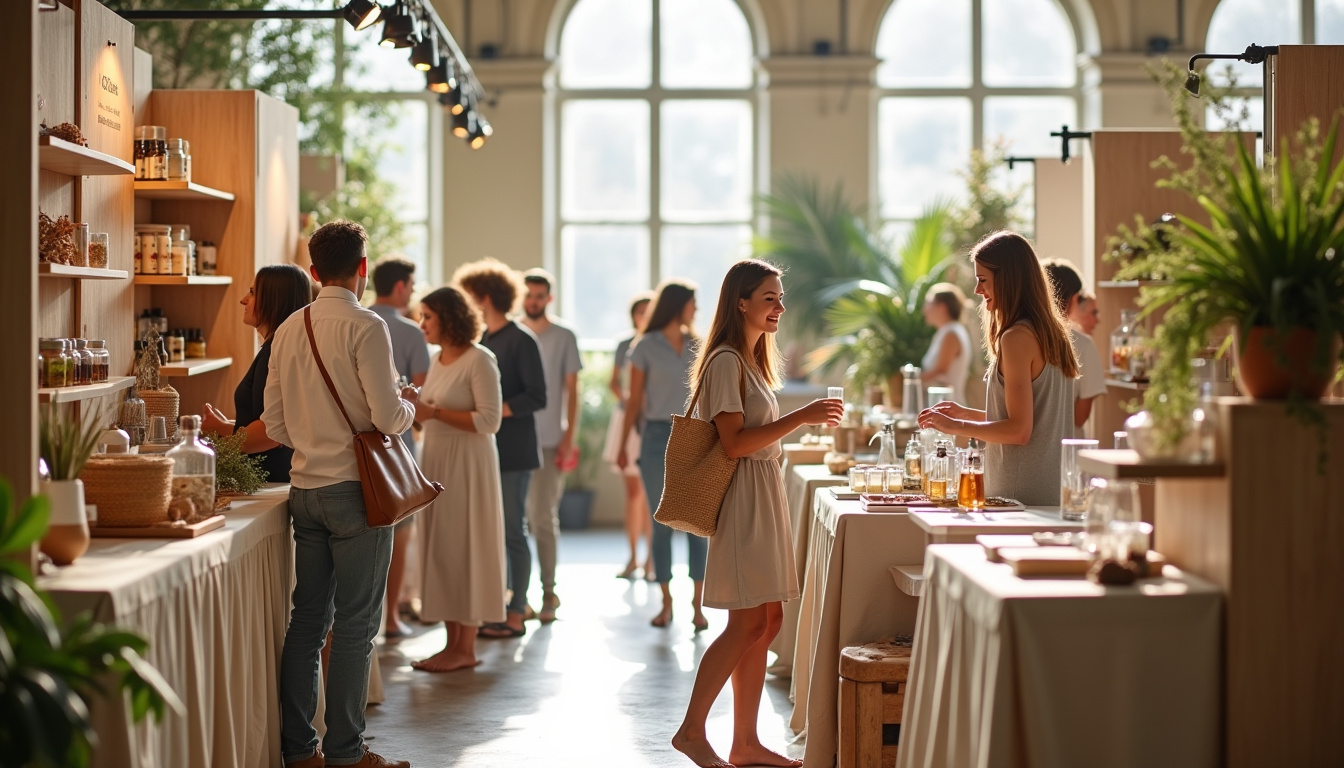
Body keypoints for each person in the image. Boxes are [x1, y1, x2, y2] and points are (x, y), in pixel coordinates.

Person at [671, 259, 843, 768]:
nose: (780, 307)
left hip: (762, 494)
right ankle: (691, 731)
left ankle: (745, 742)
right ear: (741, 302)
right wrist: (803, 415)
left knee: (768, 618)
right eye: (770, 297)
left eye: (780, 297)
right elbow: (734, 443)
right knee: (744, 622)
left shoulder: (748, 360)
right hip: (745, 498)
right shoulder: (726, 360)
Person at [263, 219, 415, 768]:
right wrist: (409, 406)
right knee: (355, 627)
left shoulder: (288, 328)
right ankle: (347, 753)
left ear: (311, 270)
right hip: (357, 493)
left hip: (304, 490)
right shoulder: (367, 326)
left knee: (307, 622)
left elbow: (275, 425)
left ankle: (300, 750)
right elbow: (387, 418)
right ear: (363, 268)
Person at [917, 231, 1079, 507]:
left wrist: (957, 425)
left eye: (983, 280)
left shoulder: (1016, 338)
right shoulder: (1052, 333)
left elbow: (1019, 431)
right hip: (1051, 492)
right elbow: (1032, 421)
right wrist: (966, 413)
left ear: (1008, 280)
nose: (977, 291)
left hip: (1019, 496)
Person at [403, 286, 506, 673]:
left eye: (427, 316)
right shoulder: (436, 358)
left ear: (449, 317)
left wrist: (432, 412)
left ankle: (465, 647)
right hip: (437, 459)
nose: (421, 323)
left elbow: (489, 421)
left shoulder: (481, 360)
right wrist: (414, 407)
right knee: (443, 546)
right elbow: (427, 415)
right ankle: (452, 644)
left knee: (468, 545)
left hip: (469, 464)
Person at [454, 259, 547, 640]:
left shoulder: (522, 339)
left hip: (514, 450)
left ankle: (516, 610)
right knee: (492, 532)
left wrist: (492, 412)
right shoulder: (483, 342)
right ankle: (497, 606)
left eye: (470, 297)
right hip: (486, 450)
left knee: (512, 531)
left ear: (485, 297)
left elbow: (536, 396)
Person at [615, 281, 705, 629]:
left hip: (696, 436)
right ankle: (666, 603)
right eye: (692, 303)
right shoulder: (643, 347)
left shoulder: (700, 346)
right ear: (678, 305)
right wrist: (624, 446)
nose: (696, 310)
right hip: (655, 438)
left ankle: (698, 606)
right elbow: (634, 401)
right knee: (662, 522)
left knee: (698, 524)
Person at [368, 257, 432, 640]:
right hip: (398, 448)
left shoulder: (354, 320)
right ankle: (391, 618)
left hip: (356, 445)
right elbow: (420, 398)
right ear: (401, 287)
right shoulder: (411, 333)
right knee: (398, 533)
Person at [202, 264, 311, 484]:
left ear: (274, 300)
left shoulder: (274, 352)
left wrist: (216, 441)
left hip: (270, 479)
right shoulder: (280, 348)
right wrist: (225, 427)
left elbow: (270, 433)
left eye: (252, 293)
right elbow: (268, 417)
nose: (243, 299)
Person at [519, 269, 582, 624]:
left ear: (549, 298)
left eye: (539, 296)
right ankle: (517, 597)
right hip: (513, 440)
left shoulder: (564, 336)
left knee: (543, 518)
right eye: (528, 295)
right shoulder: (512, 332)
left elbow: (573, 390)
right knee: (515, 522)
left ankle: (548, 592)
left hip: (549, 441)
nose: (533, 301)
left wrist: (568, 438)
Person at [604, 291, 655, 581]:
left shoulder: (659, 344)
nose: (644, 317)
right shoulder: (624, 344)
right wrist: (628, 399)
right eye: (640, 312)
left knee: (651, 495)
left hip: (651, 421)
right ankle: (633, 557)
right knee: (633, 493)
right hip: (627, 419)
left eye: (649, 311)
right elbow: (613, 381)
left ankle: (651, 560)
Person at [1043, 260, 1106, 433]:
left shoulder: (1022, 338)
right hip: (1068, 448)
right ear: (1074, 298)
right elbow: (1080, 417)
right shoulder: (1083, 345)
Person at [919, 282, 973, 403]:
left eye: (928, 304)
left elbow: (941, 370)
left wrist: (912, 381)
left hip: (947, 407)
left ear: (942, 307)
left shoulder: (951, 333)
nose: (924, 310)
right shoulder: (946, 331)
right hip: (940, 405)